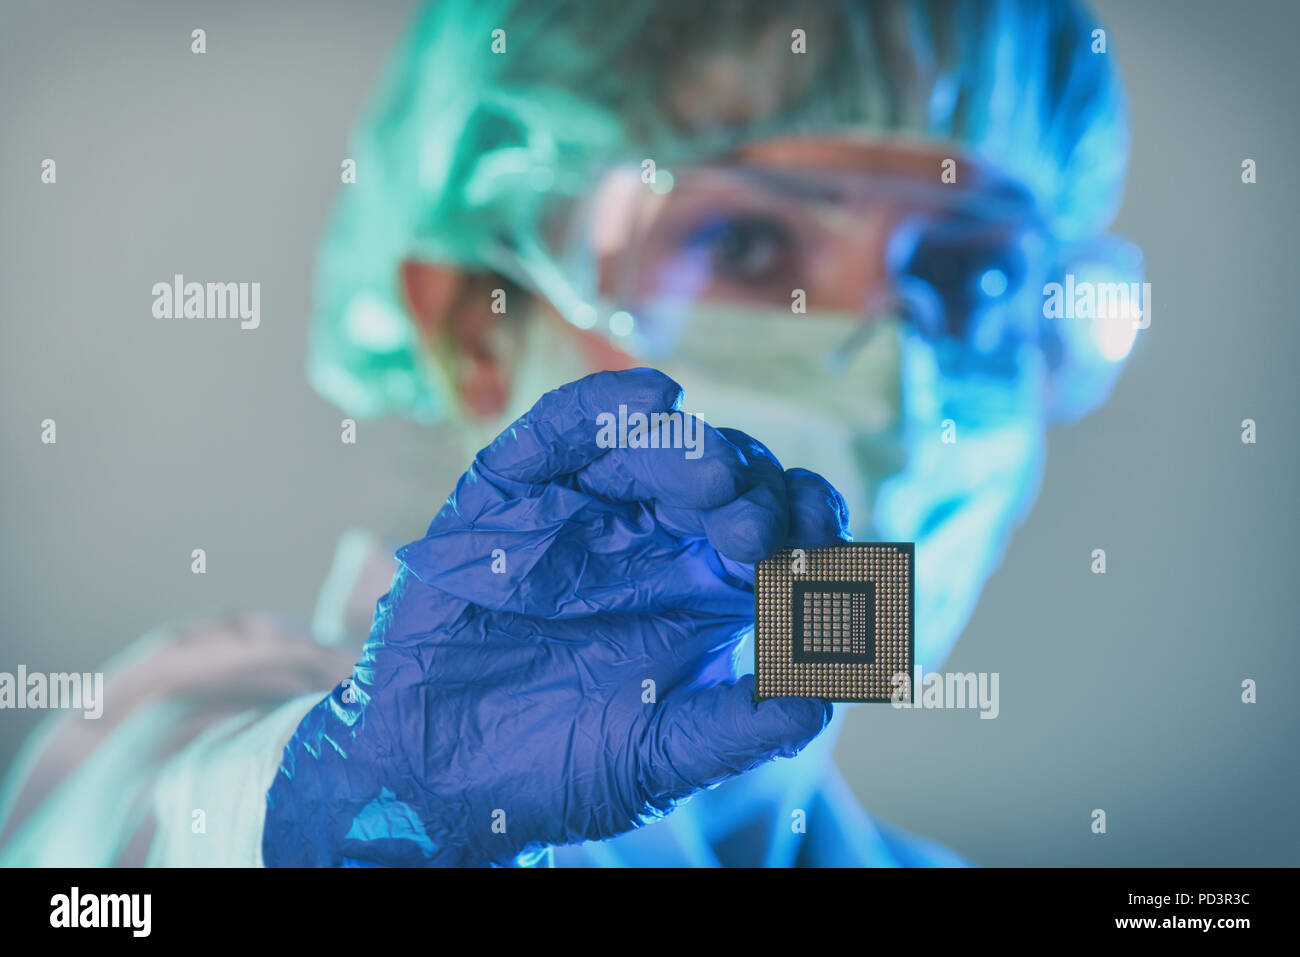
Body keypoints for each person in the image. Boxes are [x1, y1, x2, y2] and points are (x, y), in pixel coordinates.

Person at [0, 0, 1139, 867]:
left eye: (966, 276)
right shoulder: (204, 746)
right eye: (748, 246)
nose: (887, 373)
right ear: (477, 333)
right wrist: (366, 811)